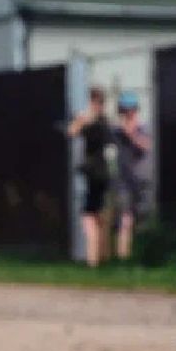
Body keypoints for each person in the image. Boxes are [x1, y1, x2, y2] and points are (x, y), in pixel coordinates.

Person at [67, 86, 113, 266]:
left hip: (94, 173)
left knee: (88, 217)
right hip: (105, 174)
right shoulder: (106, 122)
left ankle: (93, 259)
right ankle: (103, 256)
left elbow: (72, 131)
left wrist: (81, 118)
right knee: (100, 217)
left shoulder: (91, 121)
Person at [113, 92, 153, 261]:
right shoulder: (116, 131)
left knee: (142, 218)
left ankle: (142, 255)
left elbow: (146, 146)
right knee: (125, 218)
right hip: (124, 181)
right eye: (124, 111)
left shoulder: (143, 127)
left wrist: (131, 134)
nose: (128, 114)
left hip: (141, 179)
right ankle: (124, 257)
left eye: (130, 110)